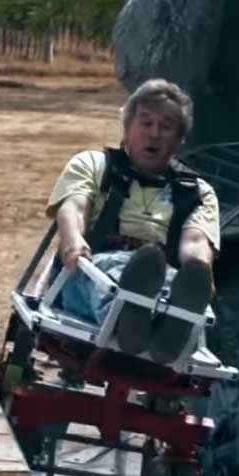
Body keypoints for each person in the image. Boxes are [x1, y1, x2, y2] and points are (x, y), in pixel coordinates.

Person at [46, 78, 221, 364]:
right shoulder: (93, 165)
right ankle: (128, 319)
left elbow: (195, 241)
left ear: (179, 139)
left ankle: (166, 328)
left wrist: (201, 269)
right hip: (91, 269)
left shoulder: (198, 192)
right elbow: (75, 208)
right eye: (146, 122)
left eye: (166, 127)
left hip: (159, 273)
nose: (155, 134)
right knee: (116, 276)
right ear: (128, 128)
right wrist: (74, 242)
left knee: (171, 282)